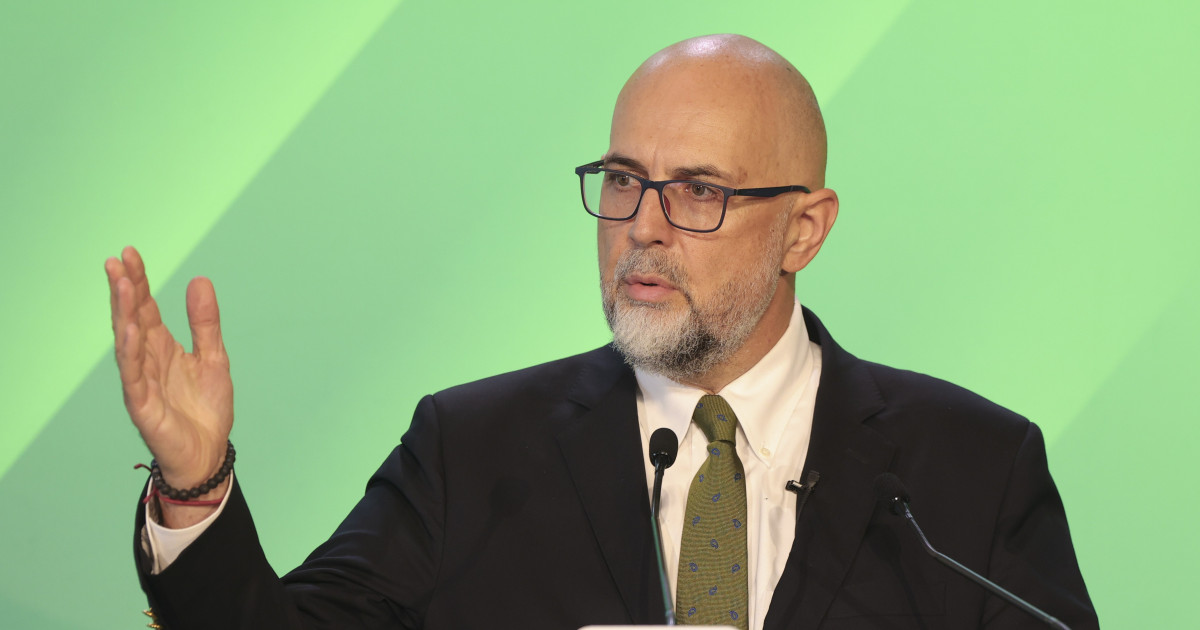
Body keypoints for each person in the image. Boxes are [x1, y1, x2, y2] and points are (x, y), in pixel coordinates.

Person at [107, 34, 1098, 629]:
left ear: (804, 229)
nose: (642, 227)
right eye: (624, 180)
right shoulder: (472, 450)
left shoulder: (972, 468)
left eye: (698, 190)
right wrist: (196, 485)